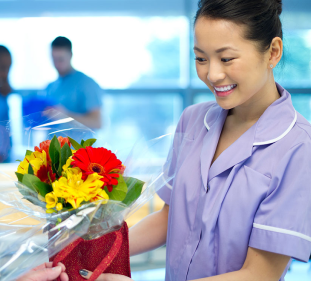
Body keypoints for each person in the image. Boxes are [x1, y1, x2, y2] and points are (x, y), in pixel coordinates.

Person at [79, 0, 311, 280]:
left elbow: (260, 273)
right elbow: (170, 218)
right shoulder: (193, 120)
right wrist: (92, 250)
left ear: (272, 52)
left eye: (226, 59)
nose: (212, 74)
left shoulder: (298, 147)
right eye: (201, 58)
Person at [44, 36, 103, 129]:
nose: (57, 64)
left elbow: (97, 123)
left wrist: (66, 116)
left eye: (61, 59)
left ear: (70, 55)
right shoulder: (51, 87)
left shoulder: (87, 84)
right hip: (53, 143)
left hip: (78, 143)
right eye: (54, 59)